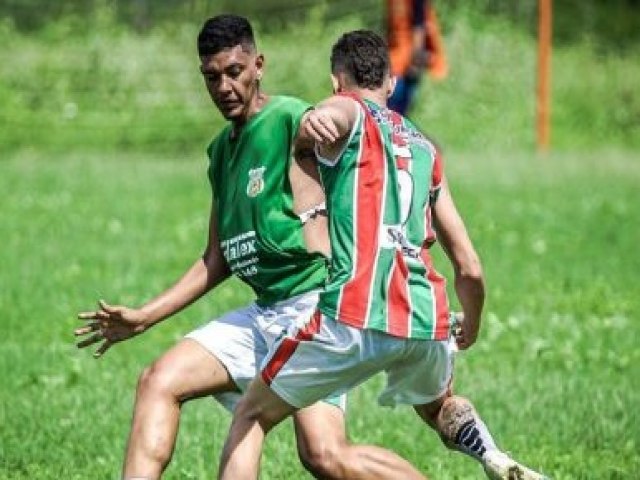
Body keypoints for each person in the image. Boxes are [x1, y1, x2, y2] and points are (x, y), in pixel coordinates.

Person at [74, 15, 426, 480]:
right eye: (211, 76)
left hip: (310, 312)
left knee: (324, 455)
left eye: (235, 71)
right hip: (262, 316)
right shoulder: (221, 151)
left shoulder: (290, 118)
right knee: (158, 381)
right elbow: (215, 260)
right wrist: (143, 317)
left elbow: (347, 146)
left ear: (258, 65)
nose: (224, 86)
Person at [218, 30, 549, 480]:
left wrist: (315, 119)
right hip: (424, 318)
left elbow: (333, 116)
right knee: (440, 406)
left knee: (252, 415)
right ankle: (489, 452)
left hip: (355, 314)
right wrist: (469, 322)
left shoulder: (345, 109)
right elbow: (469, 267)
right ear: (392, 84)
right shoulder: (425, 149)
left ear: (337, 80)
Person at [386, 0, 448, 115]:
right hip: (395, 61)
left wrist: (415, 61)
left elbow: (419, 25)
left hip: (407, 64)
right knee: (391, 114)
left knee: (395, 114)